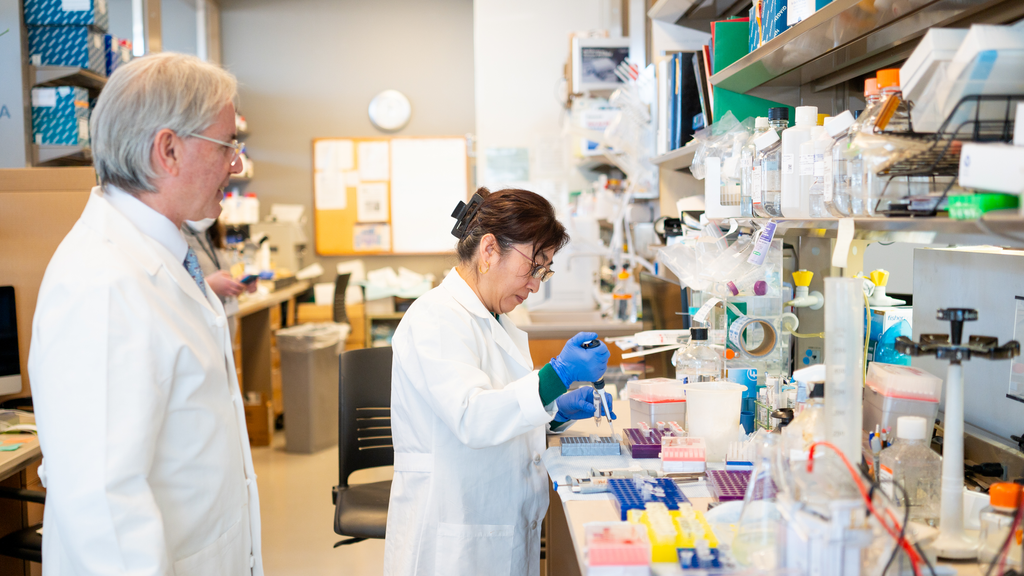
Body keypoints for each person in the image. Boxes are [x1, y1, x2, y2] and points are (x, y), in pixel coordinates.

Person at [28, 53, 263, 575]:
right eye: (227, 145)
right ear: (169, 149)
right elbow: (103, 506)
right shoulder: (103, 284)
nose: (236, 164)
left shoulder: (163, 252)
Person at [383, 188, 613, 576]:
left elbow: (505, 405)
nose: (537, 284)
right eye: (534, 266)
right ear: (489, 250)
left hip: (494, 520)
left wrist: (554, 411)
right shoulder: (435, 318)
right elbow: (473, 416)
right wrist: (556, 376)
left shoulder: (496, 318)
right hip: (453, 530)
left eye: (545, 270)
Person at [181, 218, 256, 340]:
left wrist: (236, 285)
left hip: (224, 328)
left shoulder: (209, 235)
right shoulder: (179, 237)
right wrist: (209, 285)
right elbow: (176, 291)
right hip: (201, 332)